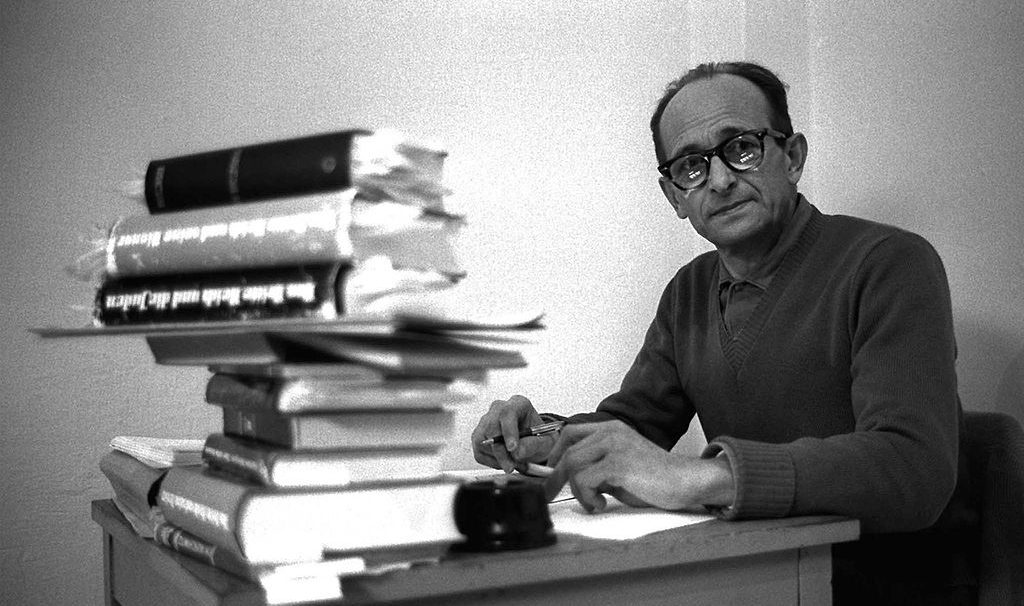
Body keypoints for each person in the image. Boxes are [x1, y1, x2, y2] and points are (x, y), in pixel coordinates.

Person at [471, 62, 971, 604]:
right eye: (691, 166)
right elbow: (635, 425)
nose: (720, 179)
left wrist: (701, 478)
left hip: (879, 586)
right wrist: (543, 438)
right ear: (674, 197)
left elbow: (913, 467)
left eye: (742, 148)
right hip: (750, 575)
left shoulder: (890, 264)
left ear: (793, 157)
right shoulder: (688, 291)